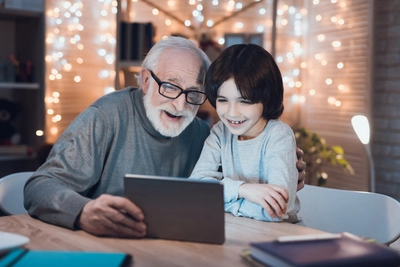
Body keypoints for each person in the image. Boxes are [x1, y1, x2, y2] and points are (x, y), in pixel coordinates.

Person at [24, 36, 306, 238]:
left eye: (194, 93)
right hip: (96, 245)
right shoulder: (106, 117)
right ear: (146, 80)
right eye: (170, 86)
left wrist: (285, 174)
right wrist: (84, 212)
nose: (181, 105)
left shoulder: (203, 133)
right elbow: (39, 187)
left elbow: (221, 191)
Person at [190, 44, 299, 223]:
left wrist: (220, 201)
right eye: (223, 100)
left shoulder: (279, 135)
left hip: (276, 236)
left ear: (267, 97)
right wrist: (243, 190)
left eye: (245, 101)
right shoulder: (220, 132)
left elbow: (274, 210)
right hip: (236, 229)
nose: (232, 112)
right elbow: (195, 189)